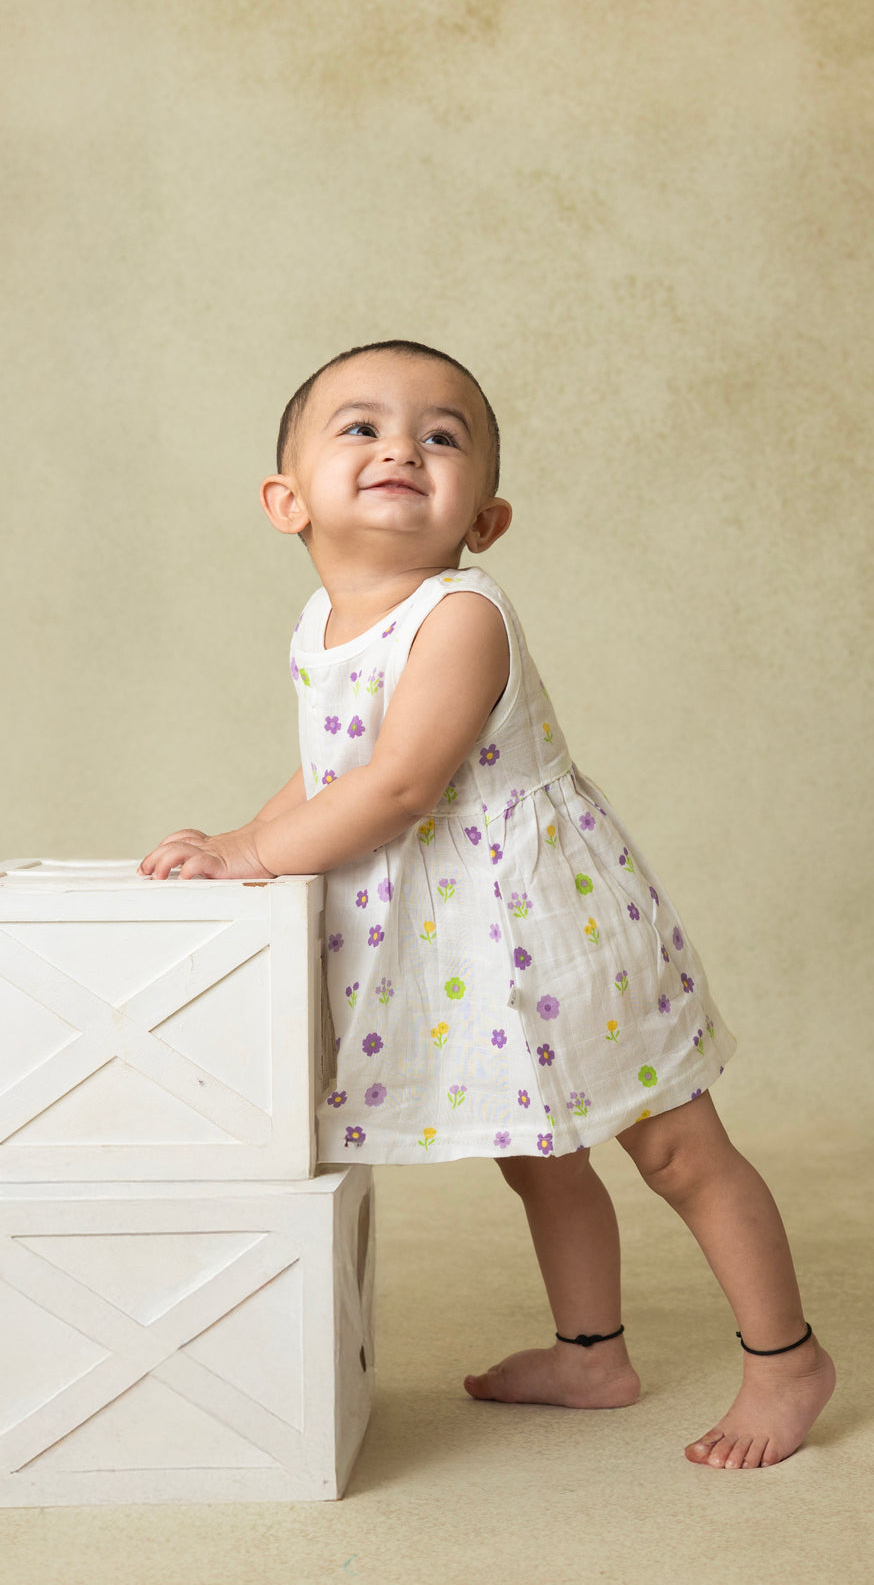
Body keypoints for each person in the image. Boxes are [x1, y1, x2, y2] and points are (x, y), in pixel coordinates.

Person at [140, 340, 836, 1469]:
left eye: (441, 434)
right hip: (467, 939)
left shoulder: (461, 613)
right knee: (539, 1152)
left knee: (678, 1151)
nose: (401, 446)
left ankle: (787, 1357)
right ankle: (592, 1353)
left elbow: (402, 783)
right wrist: (238, 836)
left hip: (555, 929)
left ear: (487, 517)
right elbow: (335, 765)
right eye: (359, 428)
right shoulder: (322, 626)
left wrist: (254, 854)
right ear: (287, 499)